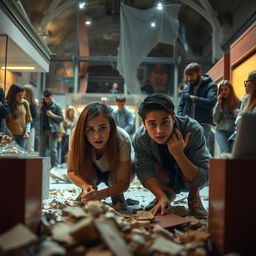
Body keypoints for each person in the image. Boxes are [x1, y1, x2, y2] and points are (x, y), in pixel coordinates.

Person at [133, 94, 210, 217]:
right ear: (143, 123)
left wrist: (179, 154)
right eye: (152, 124)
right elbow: (144, 171)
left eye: (164, 122)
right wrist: (161, 196)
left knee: (192, 161)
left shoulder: (192, 129)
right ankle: (166, 193)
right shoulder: (140, 138)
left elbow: (203, 177)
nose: (159, 131)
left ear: (173, 117)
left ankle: (194, 196)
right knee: (147, 165)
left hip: (189, 179)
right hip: (164, 176)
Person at [67, 102, 134, 207]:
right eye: (90, 129)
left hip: (115, 174)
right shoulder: (76, 135)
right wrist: (86, 186)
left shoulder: (122, 138)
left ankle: (116, 193)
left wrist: (102, 194)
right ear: (83, 130)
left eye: (102, 128)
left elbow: (124, 182)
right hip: (90, 173)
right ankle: (89, 191)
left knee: (132, 164)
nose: (97, 136)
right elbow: (71, 171)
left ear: (111, 126)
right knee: (79, 164)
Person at [177, 63, 217, 149]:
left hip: (203, 124)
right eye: (187, 76)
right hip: (187, 124)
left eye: (191, 75)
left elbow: (211, 102)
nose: (189, 79)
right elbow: (180, 106)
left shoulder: (211, 86)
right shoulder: (186, 88)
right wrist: (180, 119)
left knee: (202, 150)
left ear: (199, 73)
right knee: (186, 149)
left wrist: (194, 98)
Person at [213, 80, 241, 153]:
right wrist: (218, 104)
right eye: (221, 90)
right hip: (221, 131)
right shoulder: (220, 102)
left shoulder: (238, 102)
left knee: (233, 154)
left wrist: (238, 114)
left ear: (230, 90)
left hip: (234, 132)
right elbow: (215, 120)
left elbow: (242, 119)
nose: (223, 92)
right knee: (225, 151)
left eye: (226, 89)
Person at [39, 88, 64, 167]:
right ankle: (42, 167)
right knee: (42, 150)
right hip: (42, 130)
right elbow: (37, 117)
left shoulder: (57, 106)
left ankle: (54, 167)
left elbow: (61, 118)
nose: (47, 101)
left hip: (53, 131)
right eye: (46, 99)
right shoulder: (42, 105)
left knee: (52, 150)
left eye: (49, 99)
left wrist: (52, 115)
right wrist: (39, 108)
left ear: (52, 96)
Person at [6, 83, 32, 147]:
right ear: (13, 94)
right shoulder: (6, 104)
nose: (21, 97)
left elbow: (28, 119)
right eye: (19, 95)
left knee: (20, 155)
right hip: (9, 135)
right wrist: (8, 131)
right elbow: (3, 121)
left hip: (22, 136)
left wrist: (27, 131)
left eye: (22, 95)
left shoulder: (25, 103)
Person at [23, 85, 38, 152]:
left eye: (24, 91)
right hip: (20, 127)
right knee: (22, 146)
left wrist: (29, 126)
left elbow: (35, 116)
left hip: (30, 128)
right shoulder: (21, 102)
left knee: (29, 148)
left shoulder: (33, 104)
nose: (22, 92)